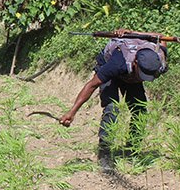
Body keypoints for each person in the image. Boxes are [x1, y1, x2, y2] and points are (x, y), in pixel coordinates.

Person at [59, 29, 168, 164]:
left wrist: (134, 32)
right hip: (111, 63)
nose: (144, 78)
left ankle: (132, 150)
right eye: (141, 74)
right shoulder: (117, 63)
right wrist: (72, 112)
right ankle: (104, 152)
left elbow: (161, 37)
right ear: (135, 63)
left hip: (129, 75)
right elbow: (91, 85)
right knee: (112, 108)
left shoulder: (159, 62)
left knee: (140, 111)